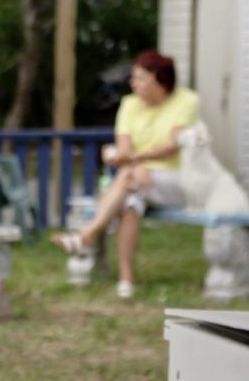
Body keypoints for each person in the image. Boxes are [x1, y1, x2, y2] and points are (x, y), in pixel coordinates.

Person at [52, 50, 198, 298]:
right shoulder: (130, 104)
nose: (133, 83)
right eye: (133, 78)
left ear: (160, 79)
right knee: (130, 202)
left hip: (175, 181)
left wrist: (135, 162)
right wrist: (135, 164)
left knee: (127, 180)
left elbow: (172, 147)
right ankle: (126, 279)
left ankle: (86, 235)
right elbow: (124, 149)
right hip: (137, 179)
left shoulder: (185, 101)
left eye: (140, 78)